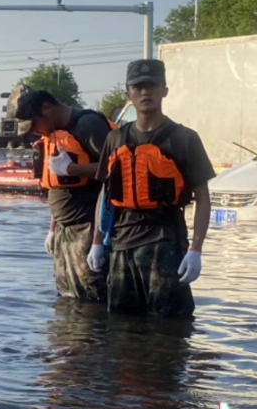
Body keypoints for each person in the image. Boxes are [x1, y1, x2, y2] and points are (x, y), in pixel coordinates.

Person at [88, 59, 214, 319]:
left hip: (165, 243)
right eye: (138, 86)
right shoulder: (115, 139)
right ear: (128, 94)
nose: (145, 92)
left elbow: (203, 197)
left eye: (152, 85)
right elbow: (105, 194)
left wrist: (196, 250)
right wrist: (97, 242)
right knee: (122, 328)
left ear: (164, 90)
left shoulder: (184, 138)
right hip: (122, 245)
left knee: (168, 329)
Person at [13, 87, 117, 302]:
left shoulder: (88, 125)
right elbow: (58, 185)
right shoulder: (54, 134)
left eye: (34, 124)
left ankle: (92, 336)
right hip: (64, 231)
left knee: (91, 299)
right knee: (66, 298)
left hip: (87, 228)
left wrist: (73, 170)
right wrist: (53, 228)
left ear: (47, 108)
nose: (34, 131)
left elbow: (117, 169)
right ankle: (66, 336)